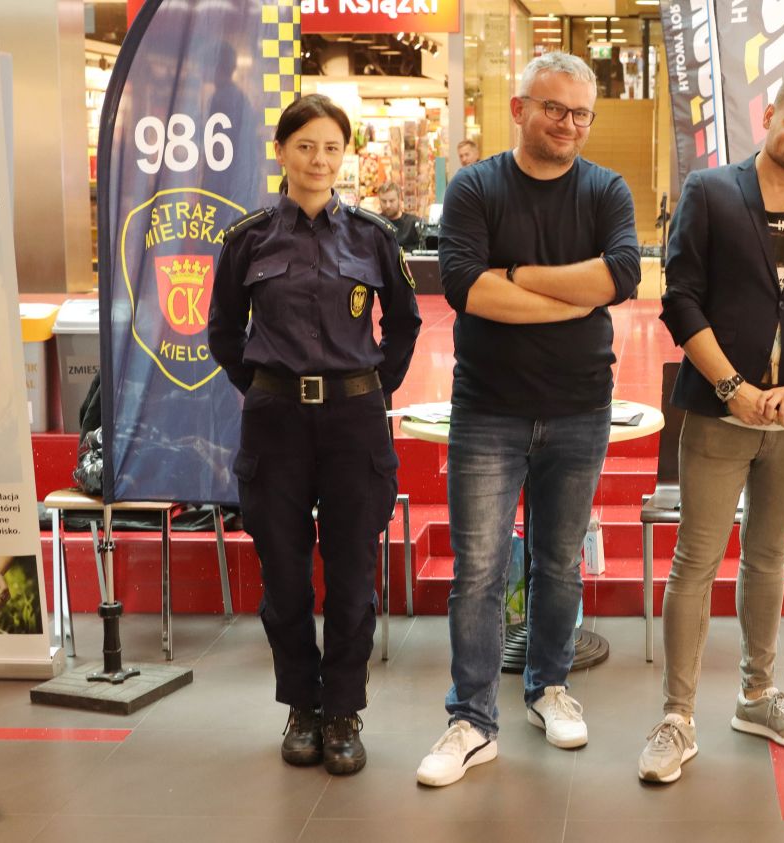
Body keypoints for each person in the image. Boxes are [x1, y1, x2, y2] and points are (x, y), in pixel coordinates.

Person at [416, 52, 639, 788]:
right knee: (478, 572)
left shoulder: (606, 189)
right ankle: (472, 719)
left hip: (580, 406)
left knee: (559, 563)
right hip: (489, 408)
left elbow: (621, 275)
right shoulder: (476, 186)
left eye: (581, 114)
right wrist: (574, 297)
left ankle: (548, 687)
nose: (568, 124)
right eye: (554, 108)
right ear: (519, 109)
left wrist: (513, 277)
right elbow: (464, 287)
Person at [638, 74, 784, 784]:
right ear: (769, 115)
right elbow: (681, 300)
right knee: (696, 560)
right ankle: (677, 717)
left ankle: (758, 694)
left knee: (769, 556)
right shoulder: (710, 192)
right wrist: (732, 388)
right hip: (719, 412)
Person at [207, 93, 421, 777]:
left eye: (331, 147)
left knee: (353, 575)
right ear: (281, 153)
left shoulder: (372, 237)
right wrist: (265, 387)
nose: (319, 160)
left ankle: (343, 711)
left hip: (353, 423)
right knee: (285, 575)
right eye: (305, 146)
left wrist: (373, 387)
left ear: (344, 155)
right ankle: (302, 705)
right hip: (276, 425)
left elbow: (405, 322)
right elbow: (223, 332)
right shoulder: (247, 240)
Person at [376, 181, 423, 251]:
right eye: (384, 201)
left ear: (400, 199)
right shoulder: (376, 224)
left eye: (391, 201)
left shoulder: (413, 224)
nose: (388, 205)